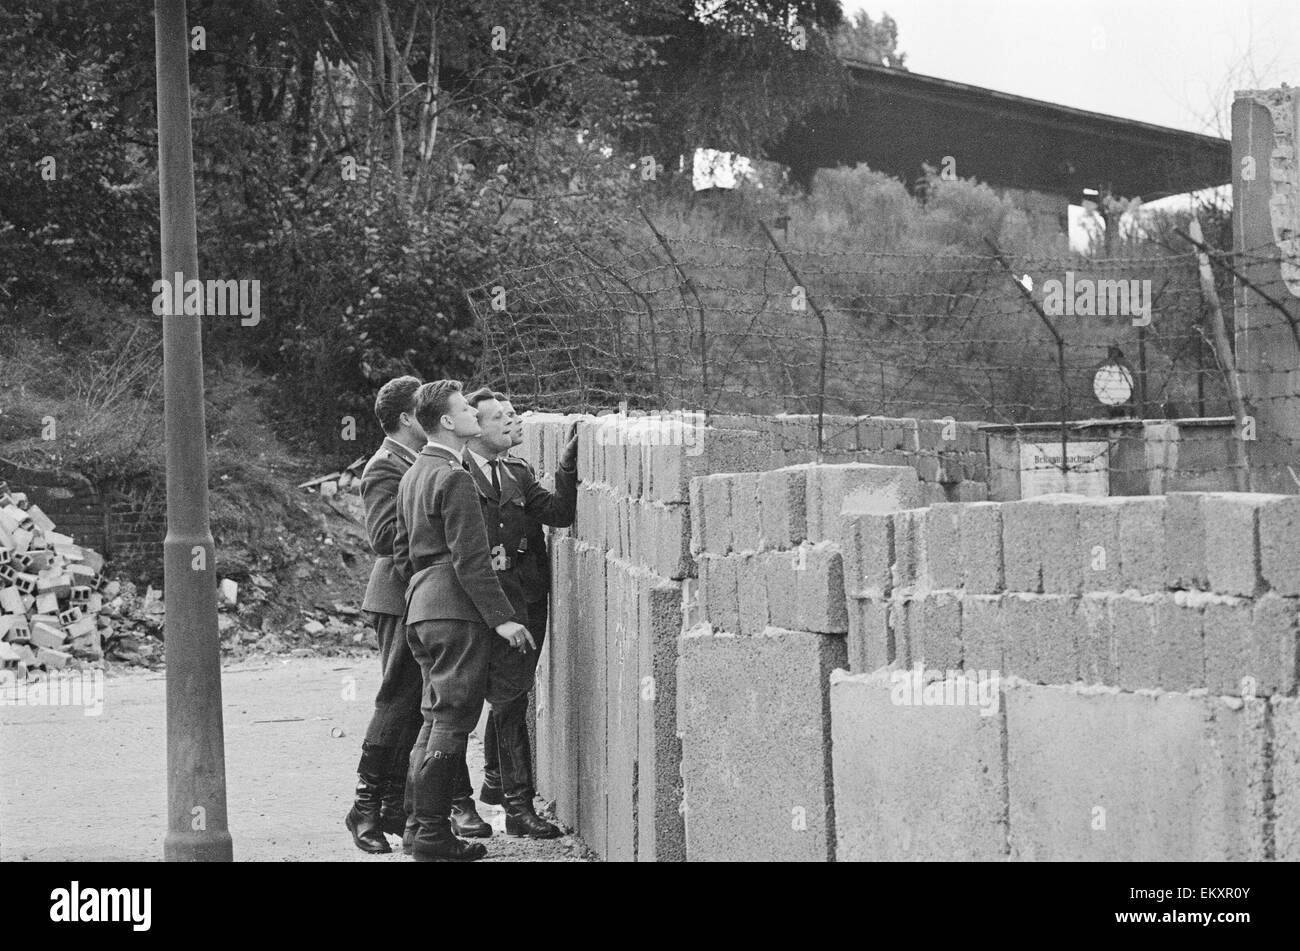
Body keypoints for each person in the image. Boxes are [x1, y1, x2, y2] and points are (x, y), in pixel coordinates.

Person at [391, 380, 535, 863]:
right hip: (455, 611)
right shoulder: (455, 478)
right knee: (452, 721)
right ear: (448, 423)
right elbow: (472, 560)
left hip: (422, 608)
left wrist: (423, 594)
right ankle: (432, 837)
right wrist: (503, 621)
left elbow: (399, 551)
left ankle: (418, 829)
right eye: (466, 411)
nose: (477, 415)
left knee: (434, 719)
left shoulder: (415, 472)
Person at [460, 389, 576, 838]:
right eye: (501, 419)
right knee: (460, 704)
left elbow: (558, 513)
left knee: (512, 699)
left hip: (523, 604)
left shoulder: (516, 471)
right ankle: (463, 805)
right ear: (475, 428)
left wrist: (568, 466)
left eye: (514, 416)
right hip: (477, 608)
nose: (513, 423)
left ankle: (512, 803)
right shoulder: (458, 474)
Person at [345, 375, 427, 854]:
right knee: (397, 698)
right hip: (399, 596)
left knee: (418, 703)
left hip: (417, 594)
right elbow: (382, 538)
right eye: (424, 409)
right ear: (406, 418)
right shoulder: (384, 466)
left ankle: (395, 805)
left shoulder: (417, 459)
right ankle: (365, 808)